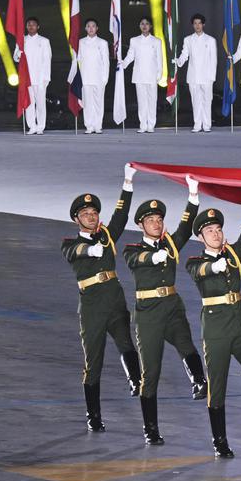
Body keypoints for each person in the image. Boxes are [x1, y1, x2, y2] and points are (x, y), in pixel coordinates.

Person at [186, 184, 241, 459]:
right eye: (210, 231)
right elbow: (200, 271)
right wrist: (215, 266)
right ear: (201, 237)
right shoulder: (195, 261)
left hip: (239, 322)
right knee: (218, 384)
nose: (216, 233)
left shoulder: (234, 254)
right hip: (215, 328)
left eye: (218, 229)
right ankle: (219, 441)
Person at [123, 179, 208, 444]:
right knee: (151, 372)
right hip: (148, 314)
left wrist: (193, 195)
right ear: (141, 225)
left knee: (187, 345)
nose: (157, 224)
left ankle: (198, 381)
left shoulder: (170, 244)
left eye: (159, 220)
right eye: (151, 221)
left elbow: (185, 226)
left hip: (172, 307)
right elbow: (136, 261)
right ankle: (151, 429)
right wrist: (154, 256)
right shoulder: (132, 249)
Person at [61, 165, 142, 432]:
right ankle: (93, 416)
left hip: (114, 298)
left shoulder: (107, 236)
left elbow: (121, 215)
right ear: (77, 220)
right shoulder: (70, 244)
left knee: (126, 341)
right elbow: (77, 251)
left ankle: (135, 380)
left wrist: (128, 182)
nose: (92, 216)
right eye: (86, 214)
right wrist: (90, 249)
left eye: (94, 212)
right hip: (92, 306)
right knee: (92, 362)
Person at [176, 13, 218, 132]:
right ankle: (197, 124)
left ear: (203, 24)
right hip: (193, 75)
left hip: (207, 76)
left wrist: (212, 77)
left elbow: (213, 60)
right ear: (192, 25)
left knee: (206, 100)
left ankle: (206, 125)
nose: (197, 25)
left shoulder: (210, 40)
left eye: (199, 23)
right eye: (195, 23)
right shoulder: (188, 39)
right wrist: (179, 61)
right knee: (196, 101)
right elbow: (185, 54)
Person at [121, 17, 164, 133]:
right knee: (142, 101)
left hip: (152, 75)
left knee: (152, 100)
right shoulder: (134, 40)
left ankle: (151, 125)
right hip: (139, 75)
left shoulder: (156, 41)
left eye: (147, 24)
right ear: (139, 26)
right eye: (142, 24)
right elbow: (131, 55)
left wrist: (159, 73)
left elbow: (159, 59)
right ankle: (143, 124)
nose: (144, 26)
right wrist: (124, 63)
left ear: (150, 26)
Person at [13, 16, 52, 134]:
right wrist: (19, 53)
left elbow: (47, 60)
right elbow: (15, 58)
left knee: (40, 104)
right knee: (29, 103)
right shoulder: (21, 40)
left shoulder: (44, 41)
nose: (31, 26)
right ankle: (32, 126)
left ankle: (40, 127)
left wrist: (46, 77)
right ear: (26, 26)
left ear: (38, 26)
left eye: (33, 24)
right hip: (27, 78)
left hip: (40, 78)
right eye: (29, 24)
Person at [71, 18, 110, 134]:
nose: (91, 28)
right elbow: (79, 59)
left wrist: (105, 78)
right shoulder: (81, 42)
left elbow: (105, 62)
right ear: (85, 28)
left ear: (97, 28)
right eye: (88, 26)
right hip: (86, 77)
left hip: (99, 77)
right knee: (87, 103)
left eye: (93, 26)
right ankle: (89, 125)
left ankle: (98, 125)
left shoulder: (102, 43)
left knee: (98, 103)